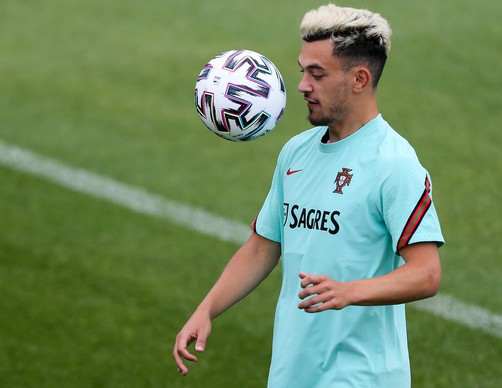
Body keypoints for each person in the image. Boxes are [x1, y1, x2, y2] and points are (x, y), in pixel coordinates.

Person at [173, 4, 444, 387]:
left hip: (362, 376)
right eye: (303, 71)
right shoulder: (296, 153)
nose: (302, 85)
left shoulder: (394, 163)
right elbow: (262, 247)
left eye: (317, 74)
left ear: (359, 79)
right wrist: (207, 309)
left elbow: (426, 273)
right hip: (292, 374)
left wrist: (349, 292)